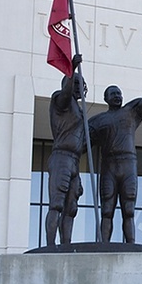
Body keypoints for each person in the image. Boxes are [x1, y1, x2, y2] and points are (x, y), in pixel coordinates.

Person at [89, 55, 142, 243]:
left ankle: (130, 244)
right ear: (105, 98)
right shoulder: (97, 121)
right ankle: (104, 245)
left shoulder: (131, 111)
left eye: (119, 93)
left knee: (129, 210)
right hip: (109, 165)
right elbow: (81, 144)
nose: (117, 96)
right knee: (106, 210)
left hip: (128, 164)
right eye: (113, 94)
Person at [45, 54, 87, 246]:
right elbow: (65, 93)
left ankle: (66, 245)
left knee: (71, 209)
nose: (79, 87)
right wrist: (72, 70)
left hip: (74, 161)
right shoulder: (60, 100)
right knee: (57, 204)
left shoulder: (79, 110)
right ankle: (51, 246)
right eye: (76, 83)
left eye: (81, 84)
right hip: (61, 157)